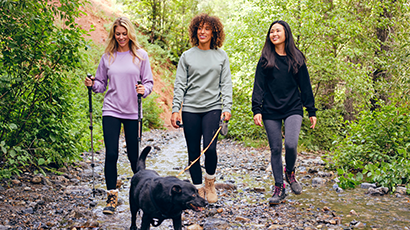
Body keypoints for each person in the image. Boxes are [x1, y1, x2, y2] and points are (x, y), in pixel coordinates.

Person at [84, 17, 153, 215]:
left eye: (124, 33)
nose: (121, 37)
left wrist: (144, 90)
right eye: (118, 34)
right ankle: (112, 196)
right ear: (114, 34)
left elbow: (148, 83)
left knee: (134, 157)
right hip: (111, 109)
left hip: (132, 111)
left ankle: (141, 193)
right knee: (111, 153)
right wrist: (92, 84)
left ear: (130, 34)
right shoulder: (108, 56)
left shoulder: (141, 56)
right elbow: (101, 85)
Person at [251, 20, 317, 205]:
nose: (274, 34)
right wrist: (257, 109)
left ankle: (290, 172)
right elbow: (258, 86)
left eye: (277, 31)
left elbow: (305, 86)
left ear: (286, 33)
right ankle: (279, 188)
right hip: (270, 110)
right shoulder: (265, 59)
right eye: (271, 31)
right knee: (275, 149)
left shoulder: (297, 57)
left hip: (293, 108)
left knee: (290, 145)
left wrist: (311, 110)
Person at [170, 13, 232, 204]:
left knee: (210, 149)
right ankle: (197, 189)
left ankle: (210, 183)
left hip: (212, 108)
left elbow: (226, 83)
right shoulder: (187, 56)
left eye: (207, 29)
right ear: (195, 31)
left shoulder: (221, 56)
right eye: (200, 28)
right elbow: (180, 84)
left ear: (214, 32)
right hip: (190, 109)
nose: (202, 32)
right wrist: (175, 109)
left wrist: (227, 106)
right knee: (193, 152)